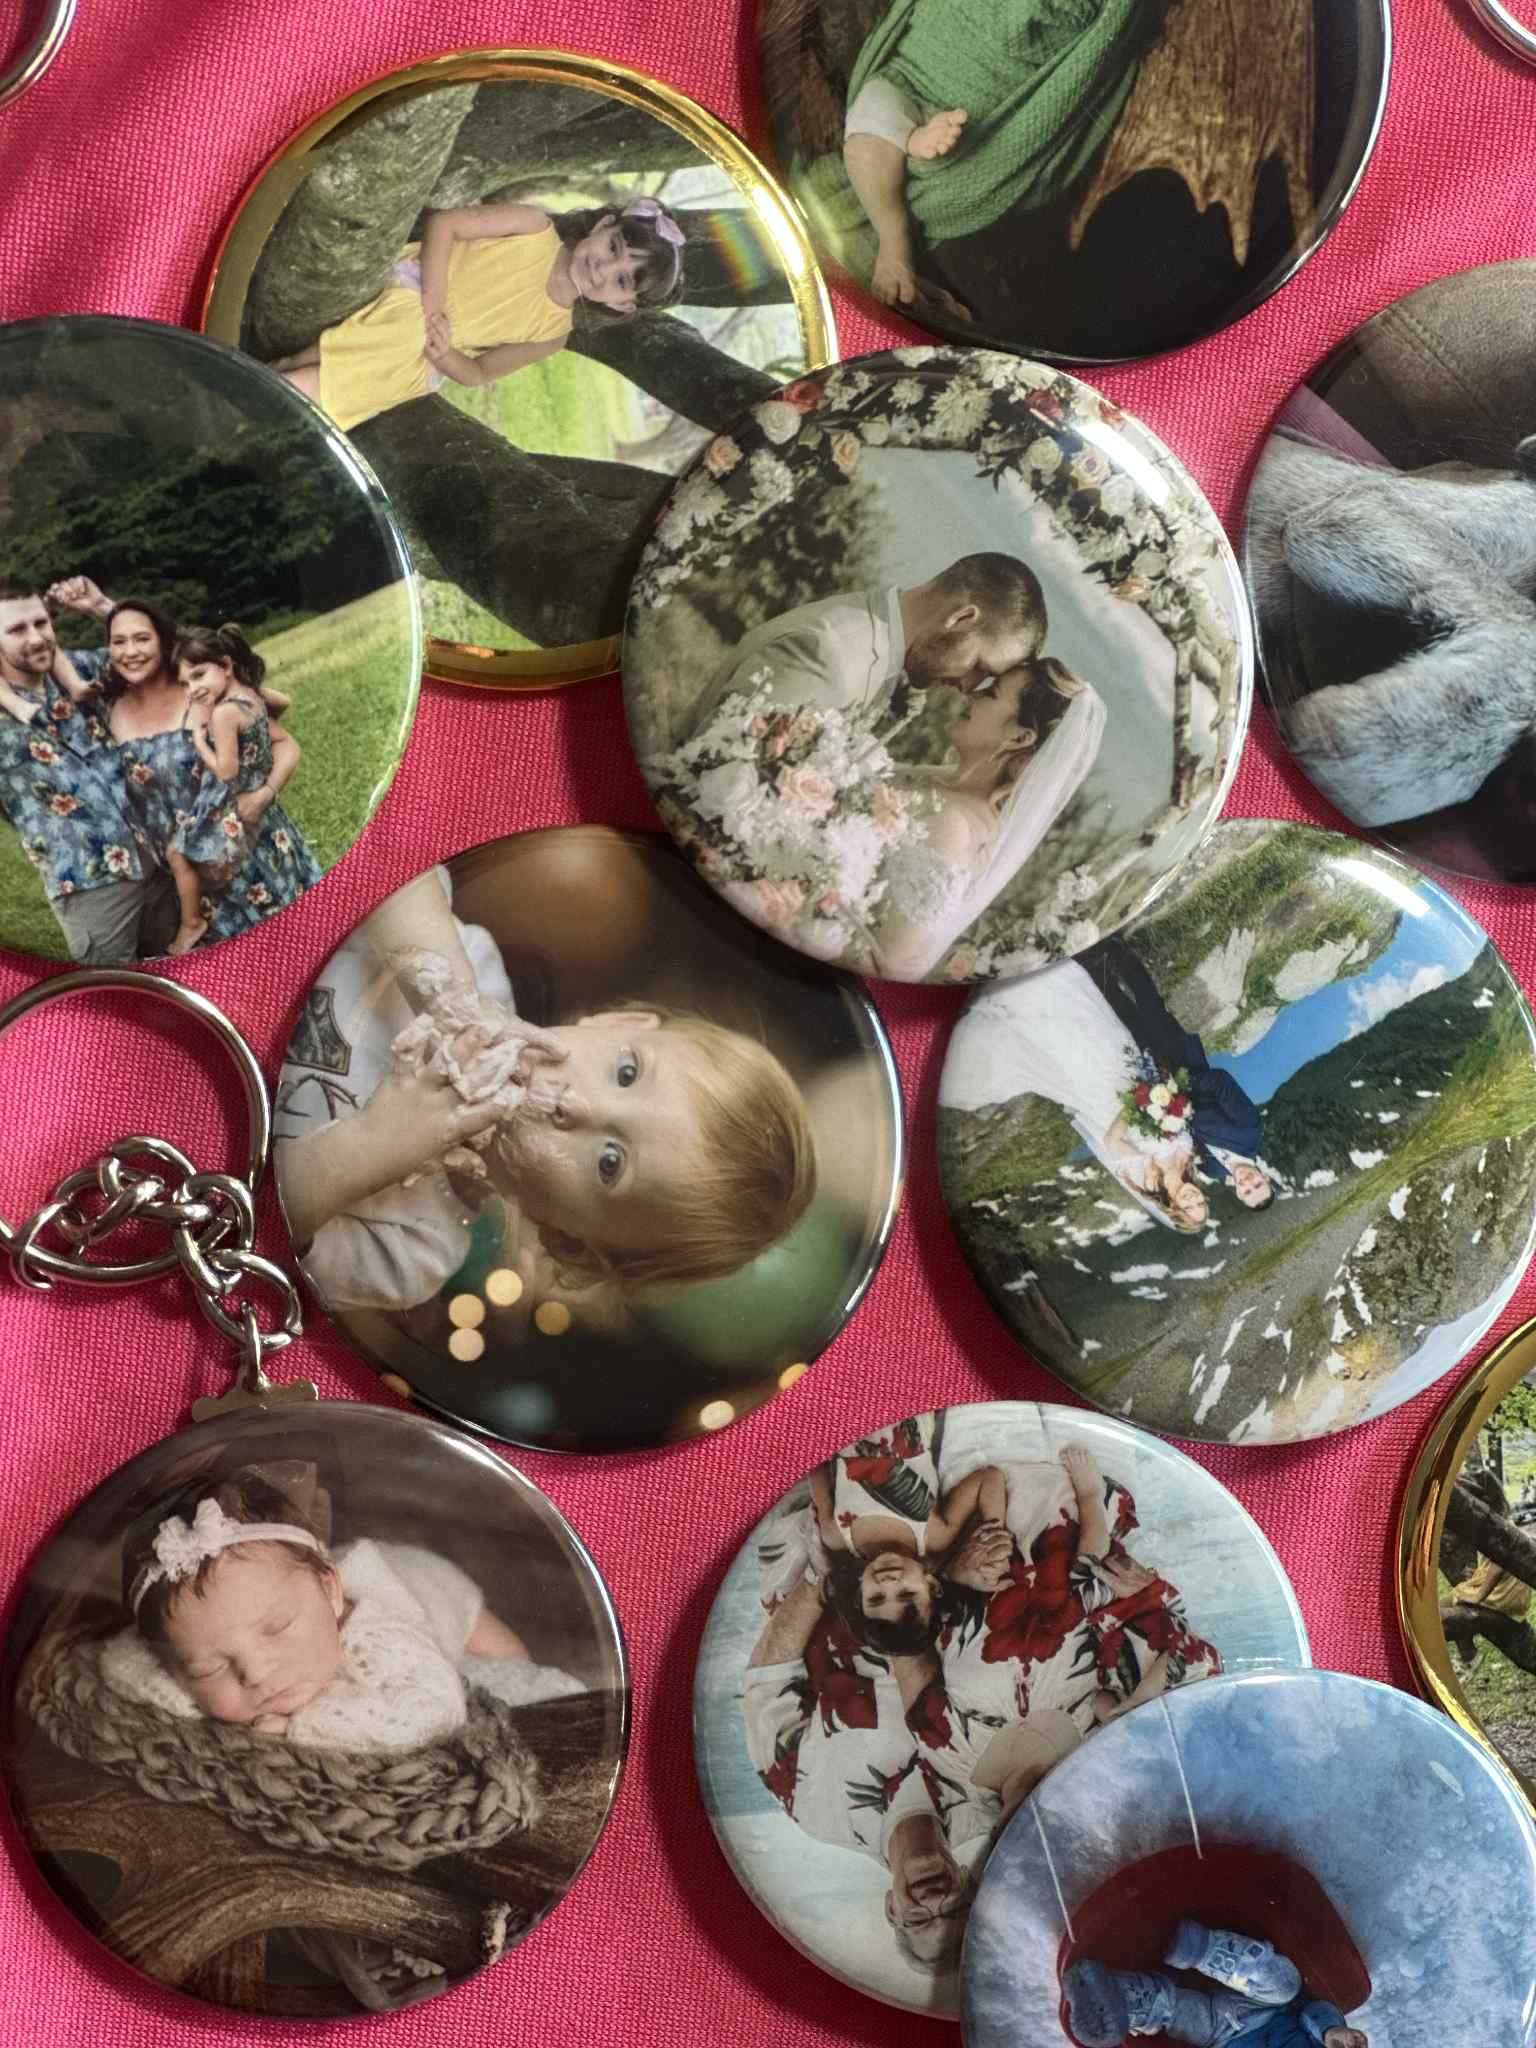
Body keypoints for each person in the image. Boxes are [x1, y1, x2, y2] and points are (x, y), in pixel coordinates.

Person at [275, 867, 818, 1316]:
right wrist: (449, 997)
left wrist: (370, 1147)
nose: (576, 1104)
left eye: (610, 1162)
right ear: (614, 1021)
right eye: (626, 1073)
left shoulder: (414, 1253)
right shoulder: (477, 967)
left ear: (569, 1239)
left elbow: (253, 1228)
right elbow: (394, 879)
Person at [98, 1467, 584, 1752]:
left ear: (331, 1593)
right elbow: (119, 1661)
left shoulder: (378, 1638)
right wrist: (188, 1682)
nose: (256, 1672)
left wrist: (298, 1727)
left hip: (434, 1589)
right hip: (301, 1571)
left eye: (277, 1627)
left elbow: (433, 1710)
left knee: (513, 1673)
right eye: (210, 1665)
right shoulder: (197, 1637)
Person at [837, 0, 1172, 320]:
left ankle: (912, 275)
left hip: (982, 107)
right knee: (864, 144)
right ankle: (893, 236)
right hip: (912, 78)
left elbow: (1086, 35)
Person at [274, 198, 686, 432]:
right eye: (613, 249)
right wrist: (433, 302)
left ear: (621, 305)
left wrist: (443, 353)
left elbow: (479, 373)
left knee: (314, 370)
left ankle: (271, 389)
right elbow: (445, 225)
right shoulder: (533, 226)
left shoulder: (552, 333)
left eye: (621, 282)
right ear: (604, 224)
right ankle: (277, 393)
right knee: (387, 338)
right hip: (419, 287)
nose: (603, 269)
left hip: (426, 349)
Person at [870, 656, 1103, 979]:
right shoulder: (939, 783)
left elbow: (890, 960)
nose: (972, 696)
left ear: (1020, 738)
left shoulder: (955, 827)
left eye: (991, 693)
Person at [941, 960, 1211, 1231]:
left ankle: (1012, 1003)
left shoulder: (1148, 1179)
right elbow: (1175, 1112)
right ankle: (1042, 977)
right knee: (1100, 1029)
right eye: (1200, 1203)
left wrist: (1141, 1104)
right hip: (1133, 1075)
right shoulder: (1188, 1156)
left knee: (1070, 1048)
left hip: (1111, 1098)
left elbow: (1112, 1139)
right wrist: (1165, 1095)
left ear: (1174, 1208)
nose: (1193, 1200)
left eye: (1188, 1208)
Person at [0, 578, 180, 961]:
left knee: (199, 974)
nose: (36, 638)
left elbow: (182, 659)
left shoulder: (83, 670)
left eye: (41, 623)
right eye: (17, 629)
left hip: (159, 858)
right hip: (88, 882)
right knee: (120, 1003)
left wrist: (103, 608)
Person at [1079, 934, 1273, 1209]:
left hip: (1157, 1090)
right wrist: (1176, 1085)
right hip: (1183, 1064)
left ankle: (1096, 969)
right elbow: (1221, 1083)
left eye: (1247, 1191)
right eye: (1257, 1184)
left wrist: (1160, 1108)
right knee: (1151, 1007)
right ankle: (1117, 951)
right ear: (1265, 1176)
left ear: (1239, 1194)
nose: (1248, 1182)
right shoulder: (1250, 1131)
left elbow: (1180, 1143)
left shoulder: (1212, 1172)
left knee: (1130, 1024)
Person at [168, 622, 321, 953]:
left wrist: (200, 742)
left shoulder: (223, 713)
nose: (192, 689)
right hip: (264, 808)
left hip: (234, 806)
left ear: (225, 665)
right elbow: (281, 703)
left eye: (198, 676)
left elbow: (226, 770)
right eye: (185, 683)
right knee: (272, 868)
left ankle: (192, 925)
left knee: (182, 853)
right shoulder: (250, 696)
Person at [1064, 1919, 1367, 2047]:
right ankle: (1200, 1948)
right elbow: (1312, 2010)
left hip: (1218, 2034)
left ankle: (1111, 1998)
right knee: (1283, 1983)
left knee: (1170, 2011)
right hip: (1264, 2006)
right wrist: (1330, 2030)